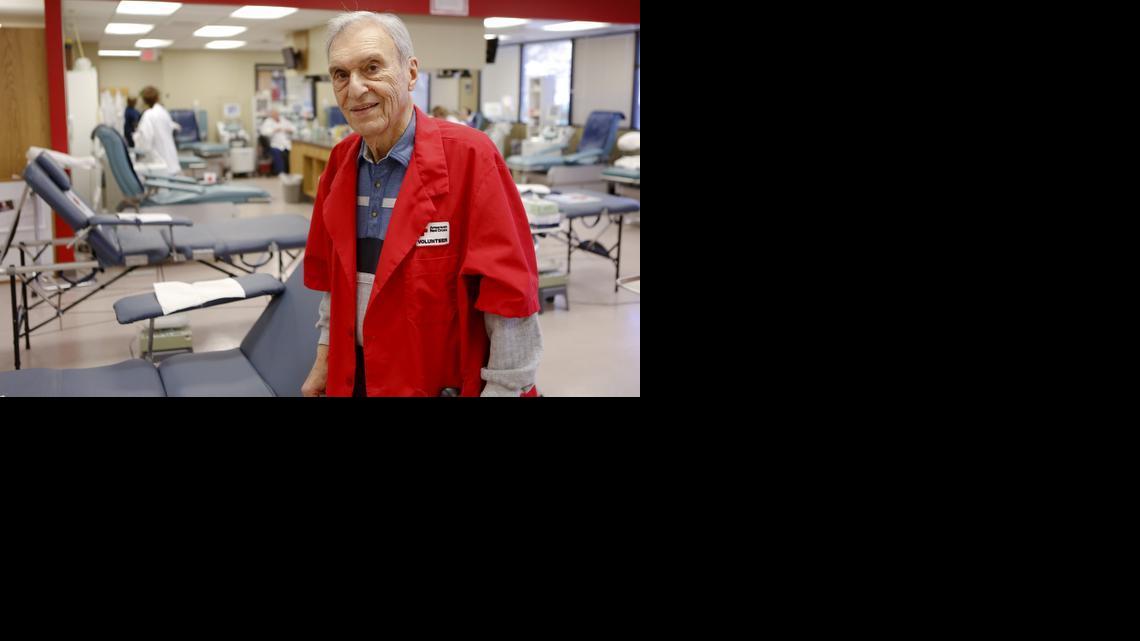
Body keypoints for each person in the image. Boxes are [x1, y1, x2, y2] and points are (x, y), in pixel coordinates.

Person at [301, 11, 542, 397]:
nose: (356, 87)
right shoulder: (340, 163)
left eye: (372, 67)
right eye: (341, 74)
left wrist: (504, 389)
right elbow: (335, 285)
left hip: (436, 382)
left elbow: (511, 300)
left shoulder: (471, 157)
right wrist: (324, 362)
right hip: (358, 378)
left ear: (411, 73)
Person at [132, 86, 181, 175]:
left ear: (144, 100)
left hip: (160, 162)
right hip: (171, 160)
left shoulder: (148, 115)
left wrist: (136, 137)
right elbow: (170, 127)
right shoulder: (163, 112)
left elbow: (145, 143)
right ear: (158, 97)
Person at [259, 107, 296, 176]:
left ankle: (290, 171)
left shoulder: (283, 120)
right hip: (274, 144)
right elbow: (263, 132)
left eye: (277, 113)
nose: (276, 115)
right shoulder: (268, 122)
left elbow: (293, 128)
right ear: (271, 114)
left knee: (290, 153)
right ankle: (280, 172)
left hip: (285, 144)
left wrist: (288, 129)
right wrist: (274, 130)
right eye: (274, 113)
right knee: (277, 153)